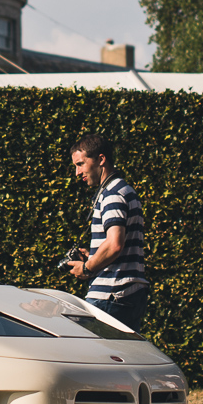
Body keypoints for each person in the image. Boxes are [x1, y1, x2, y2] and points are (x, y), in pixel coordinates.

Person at [66, 133, 149, 332]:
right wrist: (95, 255)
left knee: (90, 356)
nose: (77, 173)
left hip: (111, 292)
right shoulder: (125, 190)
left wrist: (87, 268)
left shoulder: (111, 194)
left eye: (80, 164)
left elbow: (114, 245)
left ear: (101, 159)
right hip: (129, 291)